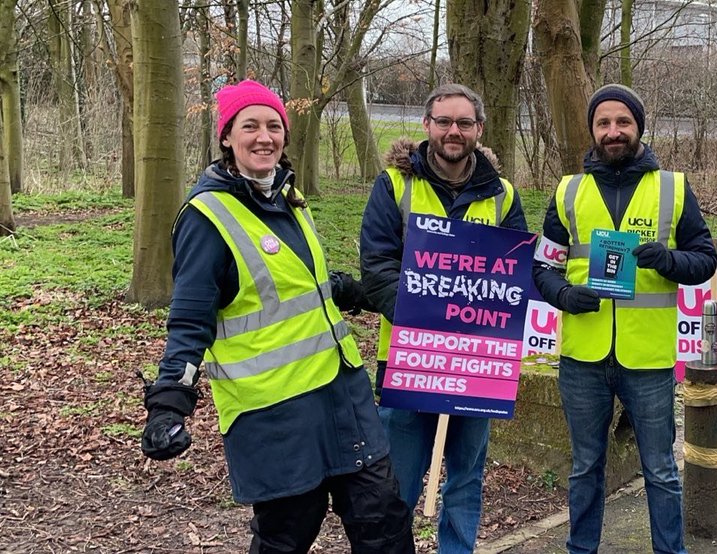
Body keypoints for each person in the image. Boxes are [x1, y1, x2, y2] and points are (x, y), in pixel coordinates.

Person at [139, 79, 415, 553]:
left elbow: (298, 285)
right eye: (250, 126)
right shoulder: (207, 218)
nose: (264, 136)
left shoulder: (288, 196)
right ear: (227, 136)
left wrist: (359, 291)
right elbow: (189, 322)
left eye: (273, 125)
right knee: (286, 537)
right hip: (277, 415)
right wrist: (169, 403)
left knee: (385, 523)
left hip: (343, 398)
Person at [532, 84, 717, 554]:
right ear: (592, 130)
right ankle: (581, 549)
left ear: (639, 127)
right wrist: (565, 294)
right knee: (584, 466)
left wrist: (669, 260)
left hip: (648, 358)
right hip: (583, 355)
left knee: (659, 468)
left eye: (622, 122)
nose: (613, 132)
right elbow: (541, 267)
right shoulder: (569, 190)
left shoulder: (672, 188)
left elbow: (704, 260)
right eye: (603, 123)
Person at [359, 83, 527, 553]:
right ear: (427, 126)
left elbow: (513, 277)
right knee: (398, 484)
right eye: (444, 122)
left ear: (479, 129)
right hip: (408, 362)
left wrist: (475, 327)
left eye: (464, 123)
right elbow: (376, 269)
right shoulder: (394, 185)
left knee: (466, 479)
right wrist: (428, 322)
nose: (454, 131)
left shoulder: (503, 195)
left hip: (476, 364)